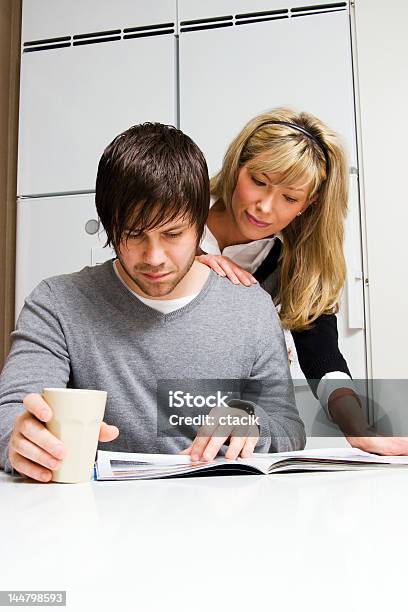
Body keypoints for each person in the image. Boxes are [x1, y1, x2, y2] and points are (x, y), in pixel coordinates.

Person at [0, 122, 305, 482]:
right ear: (109, 227)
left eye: (173, 234)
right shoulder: (57, 304)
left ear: (199, 224)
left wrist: (253, 422)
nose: (155, 257)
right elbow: (12, 415)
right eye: (133, 235)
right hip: (94, 520)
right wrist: (19, 442)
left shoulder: (250, 309)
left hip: (218, 519)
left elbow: (289, 429)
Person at [196, 107, 408, 455]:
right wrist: (191, 265)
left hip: (231, 426)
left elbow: (320, 350)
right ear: (237, 167)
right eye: (259, 182)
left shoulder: (290, 258)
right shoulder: (180, 214)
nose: (265, 206)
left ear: (307, 205)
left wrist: (359, 428)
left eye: (289, 198)